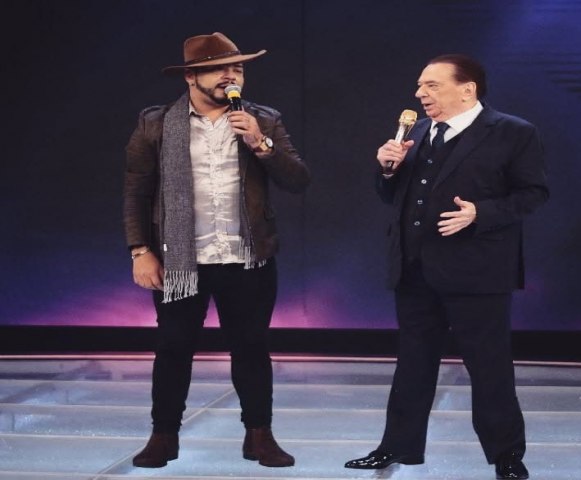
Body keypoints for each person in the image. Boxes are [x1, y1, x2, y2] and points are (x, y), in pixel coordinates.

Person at [344, 54, 548, 479]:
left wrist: (481, 213)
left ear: (467, 89)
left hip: (478, 271)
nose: (420, 93)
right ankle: (395, 446)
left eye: (432, 85)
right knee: (413, 363)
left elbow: (533, 193)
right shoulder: (418, 131)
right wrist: (387, 171)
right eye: (421, 85)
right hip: (415, 268)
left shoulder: (512, 132)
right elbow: (394, 196)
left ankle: (507, 457)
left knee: (489, 367)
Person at [123, 31, 310, 469]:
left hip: (247, 257)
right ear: (191, 76)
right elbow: (136, 192)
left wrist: (260, 143)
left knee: (251, 348)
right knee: (173, 348)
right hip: (180, 260)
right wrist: (139, 250)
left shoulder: (263, 119)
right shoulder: (156, 123)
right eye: (219, 69)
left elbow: (298, 180)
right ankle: (163, 436)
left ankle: (259, 435)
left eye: (238, 68)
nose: (231, 76)